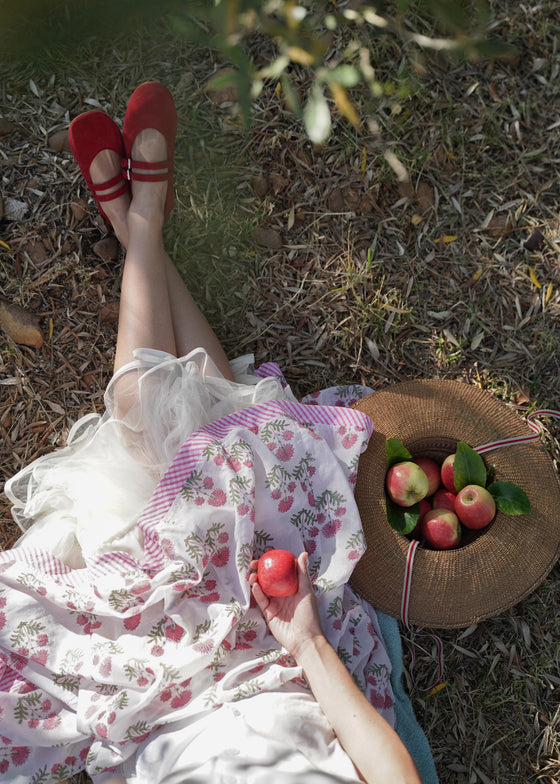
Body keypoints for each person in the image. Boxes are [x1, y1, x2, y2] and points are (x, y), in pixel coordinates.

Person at [0, 82, 423, 784]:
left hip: (155, 694)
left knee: (148, 419)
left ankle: (138, 223)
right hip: (281, 654)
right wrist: (308, 644)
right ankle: (139, 223)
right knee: (227, 442)